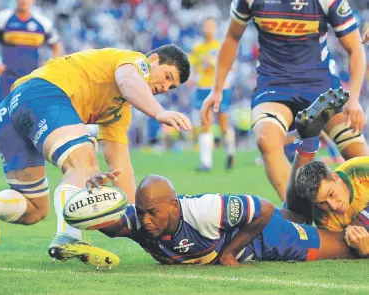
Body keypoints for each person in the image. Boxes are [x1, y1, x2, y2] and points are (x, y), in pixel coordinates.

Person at [0, 44, 192, 268]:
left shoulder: (119, 111)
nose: (165, 87)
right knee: (84, 165)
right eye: (167, 76)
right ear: (152, 60)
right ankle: (70, 238)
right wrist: (159, 112)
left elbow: (120, 163)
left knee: (35, 208)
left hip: (10, 111)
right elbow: (128, 81)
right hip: (44, 92)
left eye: (171, 87)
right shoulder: (134, 62)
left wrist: (138, 218)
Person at [200, 0, 368, 201]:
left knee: (359, 157)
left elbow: (355, 47)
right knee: (265, 139)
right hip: (274, 85)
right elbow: (232, 37)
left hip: (320, 84)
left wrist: (354, 99)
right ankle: (298, 216)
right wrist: (216, 89)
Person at [98, 174, 365, 266]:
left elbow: (263, 209)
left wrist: (229, 253)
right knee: (297, 215)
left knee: (346, 247)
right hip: (245, 226)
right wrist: (92, 198)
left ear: (173, 205)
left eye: (152, 213)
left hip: (267, 236)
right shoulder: (140, 220)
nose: (146, 220)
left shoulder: (204, 210)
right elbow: (106, 224)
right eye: (142, 211)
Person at [283, 89, 369, 257]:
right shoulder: (324, 217)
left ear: (336, 177)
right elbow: (352, 245)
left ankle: (306, 142)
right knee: (299, 215)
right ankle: (307, 140)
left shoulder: (361, 169)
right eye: (322, 203)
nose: (333, 206)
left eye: (331, 194)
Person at [0, 0, 63, 106]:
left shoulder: (43, 22)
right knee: (5, 117)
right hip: (8, 78)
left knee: (30, 116)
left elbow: (56, 45)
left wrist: (48, 67)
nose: (24, 1)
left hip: (32, 79)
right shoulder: (3, 19)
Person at [190, 17, 235, 171]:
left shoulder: (221, 46)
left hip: (220, 88)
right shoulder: (197, 48)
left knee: (223, 124)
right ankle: (206, 163)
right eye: (206, 26)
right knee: (205, 123)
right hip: (203, 88)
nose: (208, 29)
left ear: (215, 28)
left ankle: (230, 152)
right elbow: (194, 69)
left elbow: (231, 67)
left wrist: (214, 63)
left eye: (211, 26)